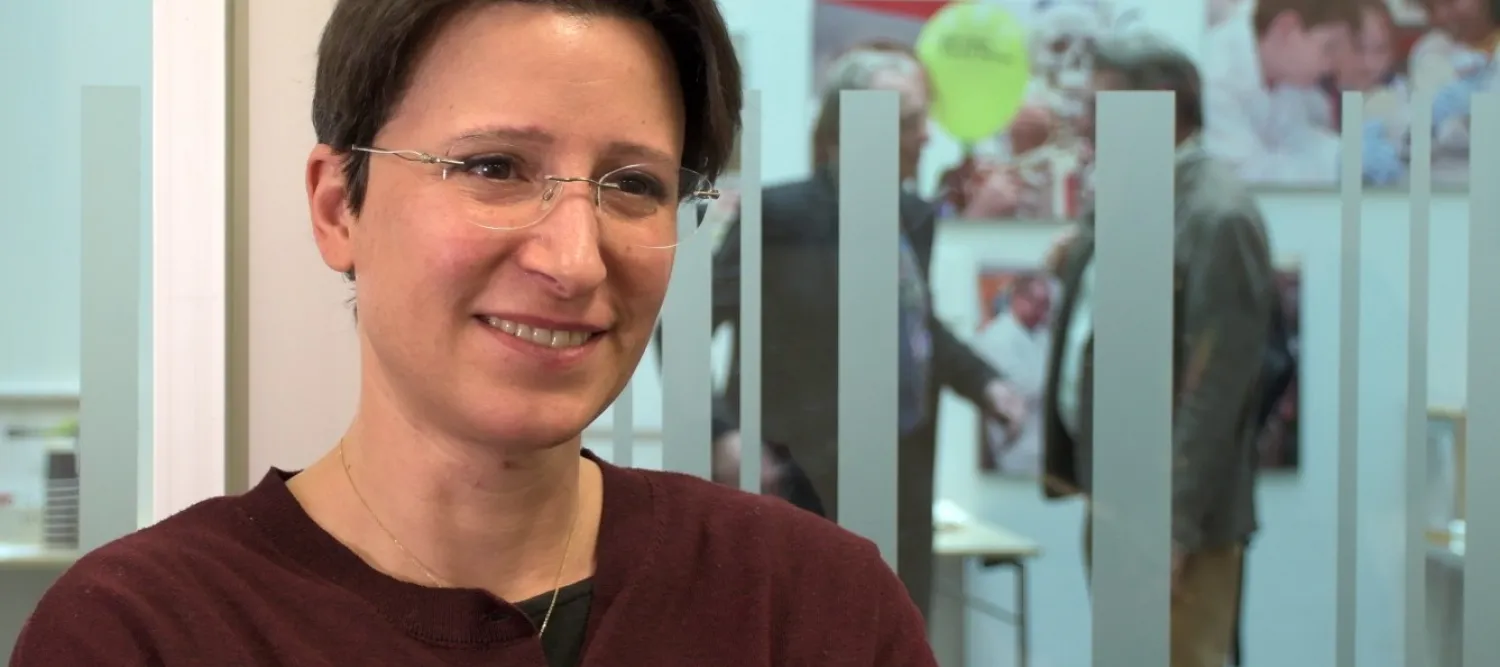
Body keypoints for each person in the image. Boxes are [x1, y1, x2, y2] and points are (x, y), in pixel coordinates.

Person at [9, 2, 937, 665]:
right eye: (494, 167)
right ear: (338, 208)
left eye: (633, 185)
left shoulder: (810, 608)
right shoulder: (144, 632)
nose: (575, 259)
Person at [709, 43, 1027, 621]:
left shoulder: (914, 217)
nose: (926, 137)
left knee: (894, 634)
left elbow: (914, 327)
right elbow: (688, 327)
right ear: (848, 130)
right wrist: (725, 435)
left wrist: (988, 384)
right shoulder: (779, 217)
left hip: (902, 478)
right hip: (798, 482)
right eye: (909, 123)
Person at [1042, 33, 1276, 667]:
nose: (1084, 122)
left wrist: (1172, 527)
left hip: (1171, 518)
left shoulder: (1217, 214)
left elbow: (1218, 389)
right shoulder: (1136, 194)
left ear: (1162, 106)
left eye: (1101, 105)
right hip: (1116, 495)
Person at [1201, 0, 1363, 184]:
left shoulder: (1283, 74)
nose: (1330, 65)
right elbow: (1248, 177)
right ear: (1285, 29)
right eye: (1329, 48)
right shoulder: (1216, 77)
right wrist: (1339, 165)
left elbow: (1299, 141)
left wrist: (1348, 153)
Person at [973, 276, 1053, 475]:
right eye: (1038, 303)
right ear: (1018, 299)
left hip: (1043, 443)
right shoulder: (995, 338)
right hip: (1014, 447)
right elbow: (1027, 385)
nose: (1043, 311)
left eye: (1046, 305)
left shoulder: (1043, 335)